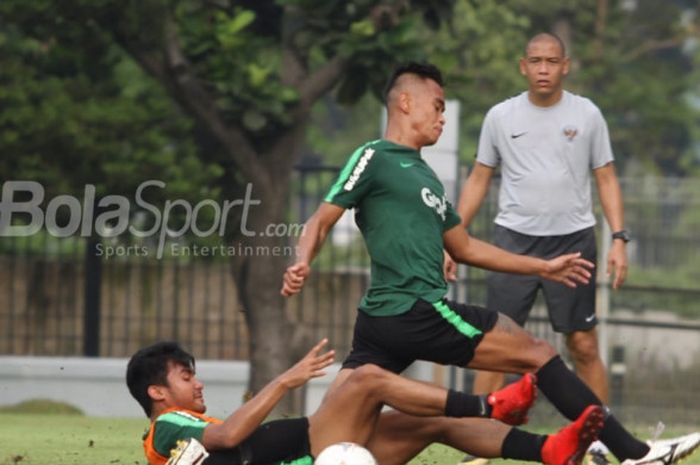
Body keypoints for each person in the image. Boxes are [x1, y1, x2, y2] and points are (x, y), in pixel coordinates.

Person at [280, 61, 700, 465]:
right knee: (537, 353)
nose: (442, 117)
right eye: (437, 105)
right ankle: (637, 454)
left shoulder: (425, 177)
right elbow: (320, 219)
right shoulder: (374, 156)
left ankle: (554, 451)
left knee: (329, 437)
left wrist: (542, 266)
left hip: (383, 323)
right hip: (414, 310)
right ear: (405, 102)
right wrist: (302, 261)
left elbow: (464, 247)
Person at [447, 32, 625, 464]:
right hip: (513, 242)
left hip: (574, 240)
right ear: (522, 66)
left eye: (552, 61)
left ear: (566, 65)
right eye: (536, 61)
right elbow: (478, 178)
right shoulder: (500, 117)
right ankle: (480, 447)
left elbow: (605, 178)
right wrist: (452, 239)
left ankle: (598, 438)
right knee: (495, 347)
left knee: (582, 344)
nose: (544, 69)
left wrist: (619, 238)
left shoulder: (587, 115)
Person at [126, 338, 606, 465]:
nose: (198, 384)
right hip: (314, 452)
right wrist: (285, 381)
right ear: (157, 393)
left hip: (320, 449)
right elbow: (231, 436)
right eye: (187, 377)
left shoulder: (188, 424)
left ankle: (547, 451)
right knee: (365, 381)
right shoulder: (165, 428)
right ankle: (490, 405)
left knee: (428, 422)